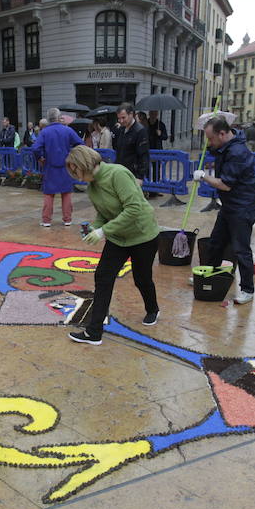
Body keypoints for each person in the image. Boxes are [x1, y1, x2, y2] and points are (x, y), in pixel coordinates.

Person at [64, 145, 160, 345]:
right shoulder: (92, 186)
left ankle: (153, 309)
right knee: (103, 277)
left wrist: (103, 231)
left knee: (142, 279)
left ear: (85, 164)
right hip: (118, 238)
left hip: (143, 235)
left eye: (76, 170)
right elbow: (103, 213)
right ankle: (94, 331)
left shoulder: (118, 174)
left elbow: (134, 208)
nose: (75, 176)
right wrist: (95, 228)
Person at [191, 116, 255, 304]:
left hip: (242, 206)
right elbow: (218, 155)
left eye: (211, 138)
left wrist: (204, 175)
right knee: (216, 243)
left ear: (222, 133)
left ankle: (247, 289)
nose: (209, 143)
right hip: (229, 206)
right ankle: (208, 275)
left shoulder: (238, 152)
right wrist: (211, 151)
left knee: (240, 249)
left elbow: (225, 184)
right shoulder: (225, 147)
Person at [31, 107, 84, 227]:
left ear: (48, 118)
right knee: (66, 193)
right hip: (66, 166)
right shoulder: (67, 130)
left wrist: (40, 158)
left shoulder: (44, 132)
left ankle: (46, 220)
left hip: (50, 165)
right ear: (59, 117)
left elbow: (35, 148)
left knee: (49, 194)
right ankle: (67, 219)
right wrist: (73, 156)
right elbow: (80, 143)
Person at [113, 102, 150, 185]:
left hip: (133, 174)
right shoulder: (121, 129)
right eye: (119, 118)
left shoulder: (140, 131)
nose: (121, 121)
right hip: (121, 172)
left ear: (131, 114)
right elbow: (119, 151)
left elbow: (144, 155)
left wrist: (140, 177)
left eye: (123, 117)